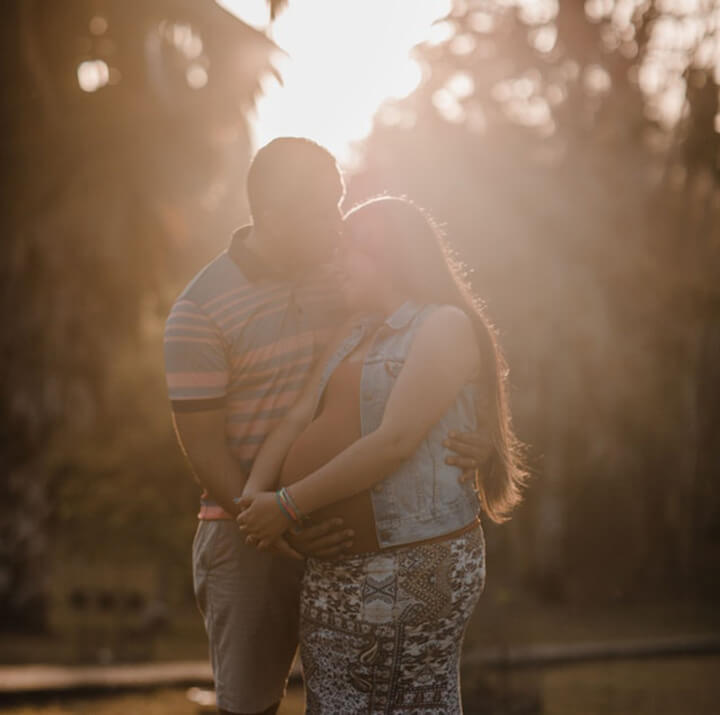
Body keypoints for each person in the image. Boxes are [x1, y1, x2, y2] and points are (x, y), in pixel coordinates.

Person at [164, 140, 491, 715]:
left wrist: (478, 433)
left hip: (349, 544)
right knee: (251, 705)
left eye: (338, 203)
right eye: (322, 209)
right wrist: (275, 520)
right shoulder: (199, 312)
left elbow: (424, 365)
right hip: (249, 536)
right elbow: (204, 452)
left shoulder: (339, 275)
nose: (337, 223)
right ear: (272, 214)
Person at [237, 196, 527, 714]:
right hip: (334, 569)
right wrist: (255, 496)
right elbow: (300, 414)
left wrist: (285, 506)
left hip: (412, 560)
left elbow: (394, 442)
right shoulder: (352, 332)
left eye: (349, 249)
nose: (336, 262)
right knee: (332, 702)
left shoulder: (443, 325)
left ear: (388, 254)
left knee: (411, 704)